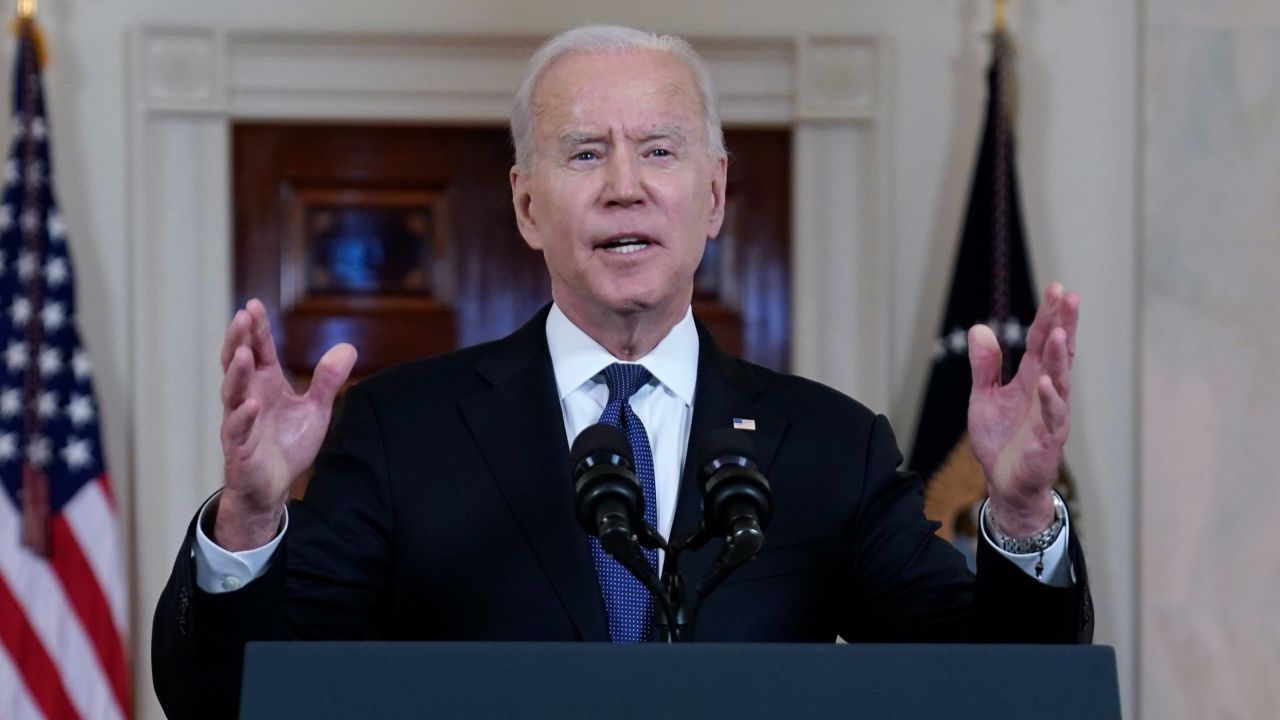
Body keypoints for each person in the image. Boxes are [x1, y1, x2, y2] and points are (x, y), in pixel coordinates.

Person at [152, 25, 1091, 718]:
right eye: (585, 153)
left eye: (658, 150)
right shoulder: (404, 431)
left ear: (713, 194)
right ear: (528, 205)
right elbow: (228, 698)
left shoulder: (831, 446)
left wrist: (1016, 517)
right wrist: (248, 520)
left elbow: (1001, 693)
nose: (624, 185)